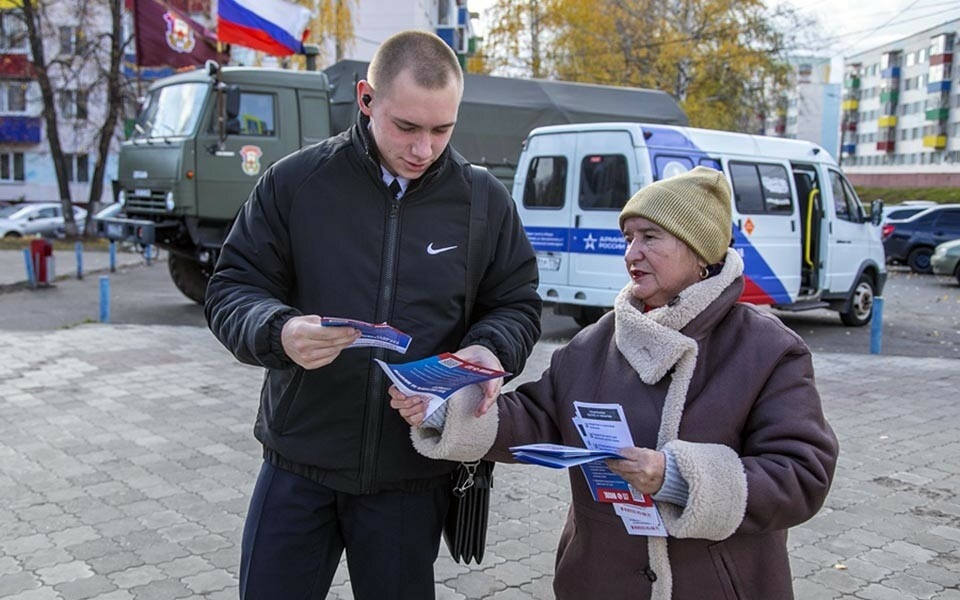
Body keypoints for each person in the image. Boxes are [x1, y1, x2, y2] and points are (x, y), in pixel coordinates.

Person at [392, 166, 839, 600]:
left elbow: (801, 474)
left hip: (716, 584)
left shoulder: (768, 350)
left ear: (701, 253)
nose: (631, 254)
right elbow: (535, 416)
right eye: (628, 238)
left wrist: (677, 478)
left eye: (650, 237)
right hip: (599, 579)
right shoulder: (596, 341)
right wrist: (445, 408)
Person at [204, 30, 542, 600]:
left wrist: (488, 352)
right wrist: (279, 330)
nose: (424, 148)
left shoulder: (484, 201)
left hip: (410, 473)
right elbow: (232, 287)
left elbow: (516, 302)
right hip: (299, 461)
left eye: (442, 129)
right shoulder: (295, 183)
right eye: (406, 127)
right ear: (366, 98)